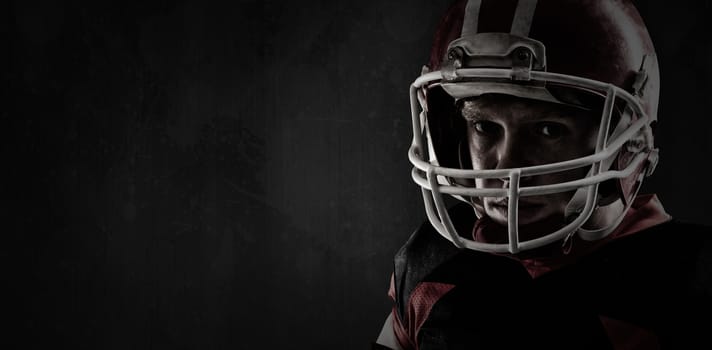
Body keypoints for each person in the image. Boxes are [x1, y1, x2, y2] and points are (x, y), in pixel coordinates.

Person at [374, 0, 712, 349]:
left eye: (549, 130)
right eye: (484, 126)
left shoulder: (687, 283)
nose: (508, 165)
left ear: (624, 137)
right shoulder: (430, 266)